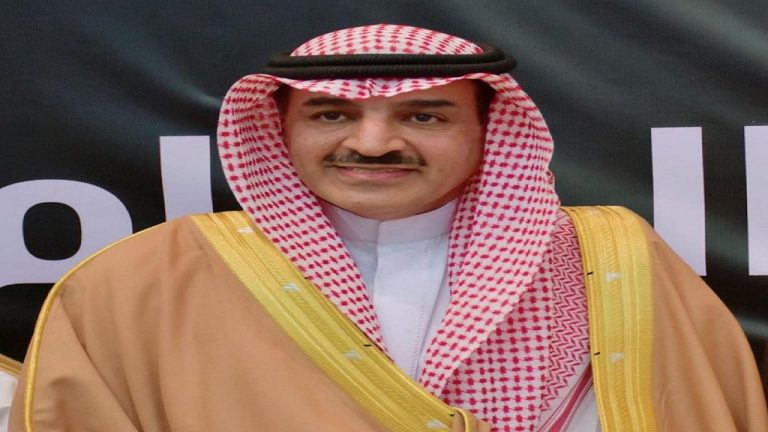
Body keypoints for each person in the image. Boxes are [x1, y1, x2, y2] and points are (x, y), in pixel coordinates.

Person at [8, 24, 768, 432]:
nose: (372, 144)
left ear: (487, 131)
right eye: (331, 114)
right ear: (278, 129)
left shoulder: (612, 259)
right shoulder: (139, 282)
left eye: (424, 116)